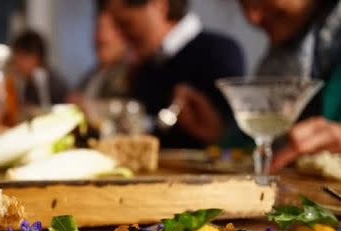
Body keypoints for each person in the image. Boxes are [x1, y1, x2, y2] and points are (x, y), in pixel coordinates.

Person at [110, 0, 246, 148]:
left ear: (158, 5)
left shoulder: (219, 53)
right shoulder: (145, 68)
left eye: (125, 24)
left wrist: (216, 132)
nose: (119, 36)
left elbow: (236, 142)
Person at [235, 0, 341, 172]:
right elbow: (252, 144)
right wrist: (217, 132)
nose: (252, 18)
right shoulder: (280, 58)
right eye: (242, 4)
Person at [72, 8, 131, 101]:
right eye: (98, 28)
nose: (100, 35)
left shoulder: (129, 74)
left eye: (108, 28)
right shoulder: (91, 75)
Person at [11, 30, 68, 110]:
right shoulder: (22, 82)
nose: (18, 63)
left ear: (38, 58)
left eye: (23, 57)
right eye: (16, 57)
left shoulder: (55, 84)